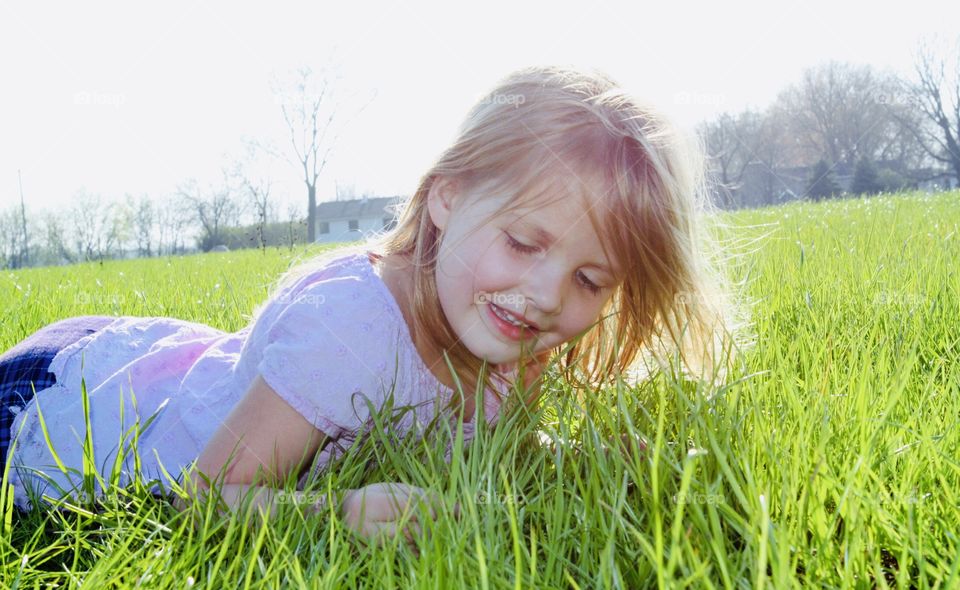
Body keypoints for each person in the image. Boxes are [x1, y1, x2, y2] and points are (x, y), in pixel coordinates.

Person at [1, 65, 745, 543]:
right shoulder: (349, 332)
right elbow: (207, 495)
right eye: (523, 241)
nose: (549, 295)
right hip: (57, 400)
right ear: (448, 197)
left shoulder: (513, 334)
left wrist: (585, 462)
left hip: (177, 366)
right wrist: (338, 516)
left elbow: (494, 449)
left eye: (592, 280)